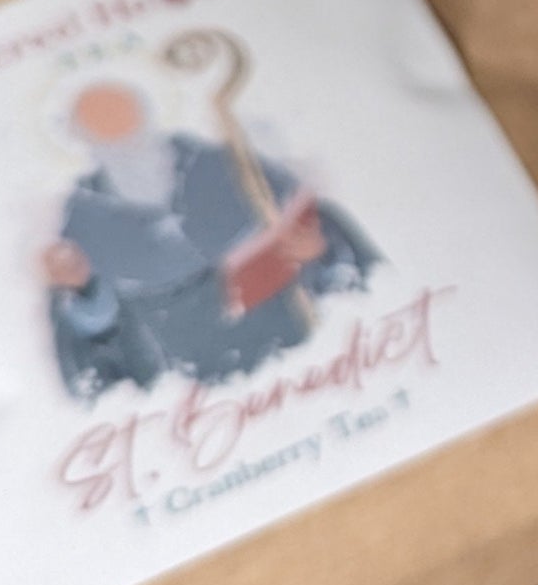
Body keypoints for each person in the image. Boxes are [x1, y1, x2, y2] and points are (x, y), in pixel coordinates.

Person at [41, 80, 379, 398]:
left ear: (146, 117)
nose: (124, 141)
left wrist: (320, 250)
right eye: (106, 134)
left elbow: (321, 231)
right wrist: (85, 292)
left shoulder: (225, 164)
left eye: (126, 122)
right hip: (196, 392)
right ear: (87, 142)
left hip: (303, 354)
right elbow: (94, 330)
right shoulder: (85, 219)